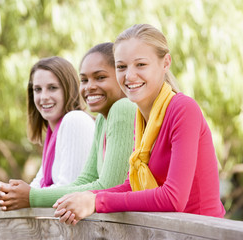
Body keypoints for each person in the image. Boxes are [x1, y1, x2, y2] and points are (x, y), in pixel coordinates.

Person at [54, 24, 226, 225]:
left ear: (166, 63)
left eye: (141, 64)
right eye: (121, 67)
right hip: (167, 231)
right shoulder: (142, 117)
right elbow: (131, 185)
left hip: (201, 231)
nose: (129, 76)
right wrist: (82, 198)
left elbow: (173, 198)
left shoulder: (183, 109)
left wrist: (96, 200)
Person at [0, 42, 136, 213]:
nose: (89, 86)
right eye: (84, 80)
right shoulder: (101, 120)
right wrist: (23, 195)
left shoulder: (123, 108)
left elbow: (109, 186)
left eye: (100, 77)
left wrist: (32, 197)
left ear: (122, 76)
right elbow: (85, 179)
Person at [0, 56, 95, 218]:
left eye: (53, 88)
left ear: (69, 89)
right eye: (37, 89)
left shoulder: (75, 120)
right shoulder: (53, 135)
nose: (43, 97)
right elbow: (35, 188)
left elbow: (69, 190)